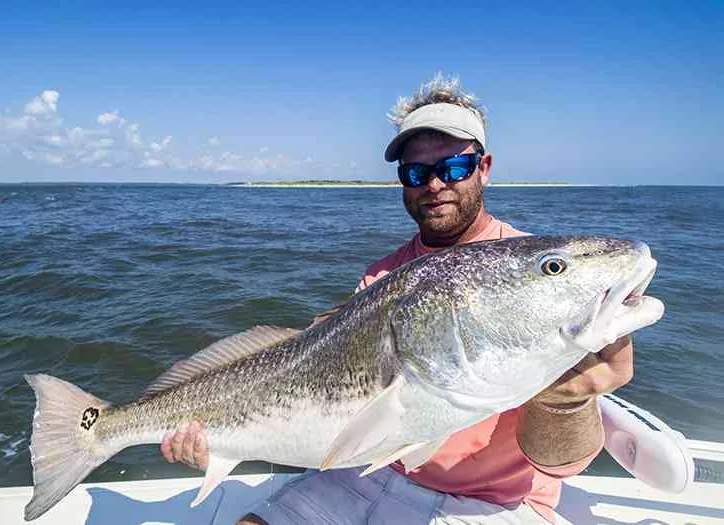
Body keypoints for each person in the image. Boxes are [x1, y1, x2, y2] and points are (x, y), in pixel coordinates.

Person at [161, 75, 635, 524]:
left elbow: (559, 467)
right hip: (368, 472)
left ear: (484, 169)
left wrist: (565, 402)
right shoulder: (382, 276)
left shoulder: (530, 275)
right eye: (416, 171)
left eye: (454, 166)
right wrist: (216, 439)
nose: (434, 184)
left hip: (487, 504)